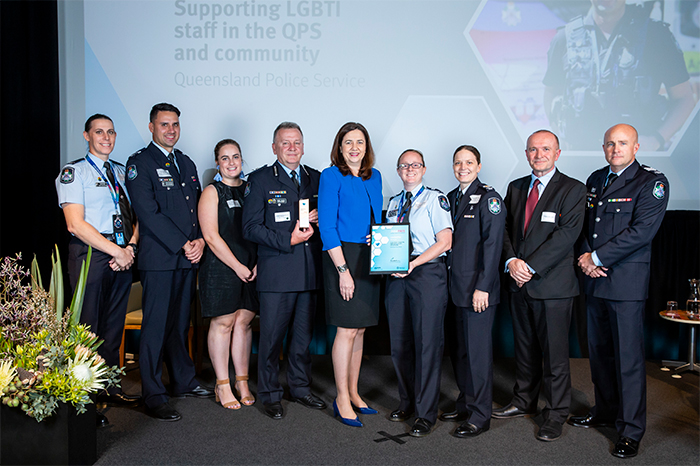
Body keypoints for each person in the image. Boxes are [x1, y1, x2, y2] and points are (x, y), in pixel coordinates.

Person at [570, 123, 669, 459]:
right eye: (610, 144)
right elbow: (587, 226)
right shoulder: (596, 179)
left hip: (625, 284)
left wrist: (596, 258)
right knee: (599, 355)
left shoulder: (651, 182)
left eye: (622, 143)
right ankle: (605, 411)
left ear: (636, 147)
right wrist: (586, 258)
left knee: (628, 360)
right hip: (594, 280)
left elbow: (641, 232)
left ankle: (630, 430)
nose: (615, 149)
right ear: (603, 148)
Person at [494, 130, 586, 442]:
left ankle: (557, 412)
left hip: (553, 287)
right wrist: (511, 261)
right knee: (524, 350)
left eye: (546, 149)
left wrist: (529, 267)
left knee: (555, 356)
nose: (539, 154)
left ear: (557, 153)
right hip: (518, 283)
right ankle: (523, 401)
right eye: (533, 149)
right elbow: (504, 228)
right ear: (526, 153)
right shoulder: (516, 187)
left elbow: (566, 236)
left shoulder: (573, 189)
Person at [125, 103, 214, 422]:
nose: (171, 130)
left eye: (175, 124)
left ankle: (183, 381)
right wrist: (184, 243)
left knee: (179, 323)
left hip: (188, 258)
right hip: (161, 258)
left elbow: (197, 208)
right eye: (164, 124)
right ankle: (153, 393)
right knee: (155, 326)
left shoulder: (186, 162)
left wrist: (200, 240)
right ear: (151, 127)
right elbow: (148, 213)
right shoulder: (140, 163)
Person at [55, 113, 141, 427]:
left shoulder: (120, 171)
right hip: (91, 254)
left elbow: (136, 216)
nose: (106, 137)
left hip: (122, 254)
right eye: (99, 132)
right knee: (86, 330)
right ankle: (83, 403)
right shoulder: (73, 172)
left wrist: (130, 249)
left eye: (111, 132)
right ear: (86, 136)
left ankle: (109, 387)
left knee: (112, 329)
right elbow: (75, 224)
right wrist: (116, 251)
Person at [242, 122, 326, 420]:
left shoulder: (316, 178)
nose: (292, 148)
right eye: (285, 143)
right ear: (274, 147)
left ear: (303, 147)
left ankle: (300, 388)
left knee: (302, 339)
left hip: (309, 272)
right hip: (277, 274)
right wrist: (286, 240)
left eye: (297, 143)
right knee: (271, 340)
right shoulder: (260, 180)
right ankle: (270, 393)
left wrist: (321, 218)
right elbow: (250, 227)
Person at [543, 0, 694, 151]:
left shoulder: (656, 36)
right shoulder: (565, 39)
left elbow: (684, 98)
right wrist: (559, 137)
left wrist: (656, 139)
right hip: (581, 156)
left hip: (637, 158)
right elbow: (551, 93)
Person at [318, 122, 383, 428]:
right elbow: (327, 225)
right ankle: (341, 397)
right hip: (342, 257)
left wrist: (377, 234)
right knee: (346, 329)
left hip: (369, 258)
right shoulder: (331, 176)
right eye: (348, 142)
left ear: (366, 147)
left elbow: (375, 216)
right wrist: (342, 270)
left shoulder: (375, 176)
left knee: (360, 330)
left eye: (360, 142)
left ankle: (355, 392)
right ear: (340, 148)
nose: (354, 148)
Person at [385, 149, 453, 437]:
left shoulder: (435, 199)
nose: (409, 169)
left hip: (426, 274)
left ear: (424, 169)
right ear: (398, 171)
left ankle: (425, 413)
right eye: (404, 165)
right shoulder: (393, 203)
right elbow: (390, 239)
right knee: (400, 344)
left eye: (415, 165)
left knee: (427, 344)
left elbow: (445, 241)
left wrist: (413, 264)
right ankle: (407, 402)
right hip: (396, 276)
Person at [441, 145, 505, 438]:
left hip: (477, 292)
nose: (463, 167)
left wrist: (483, 287)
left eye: (469, 162)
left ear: (479, 166)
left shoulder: (489, 199)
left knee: (478, 356)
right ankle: (465, 403)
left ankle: (480, 415)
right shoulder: (451, 198)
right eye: (458, 162)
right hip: (455, 290)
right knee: (461, 353)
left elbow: (493, 246)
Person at [198, 139, 259, 410]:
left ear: (242, 160)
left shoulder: (251, 189)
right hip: (221, 266)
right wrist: (237, 266)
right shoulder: (212, 192)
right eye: (225, 158)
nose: (231, 162)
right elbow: (211, 236)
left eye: (235, 157)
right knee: (223, 323)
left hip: (251, 265)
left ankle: (242, 382)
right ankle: (222, 383)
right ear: (217, 163)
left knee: (244, 322)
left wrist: (256, 264)